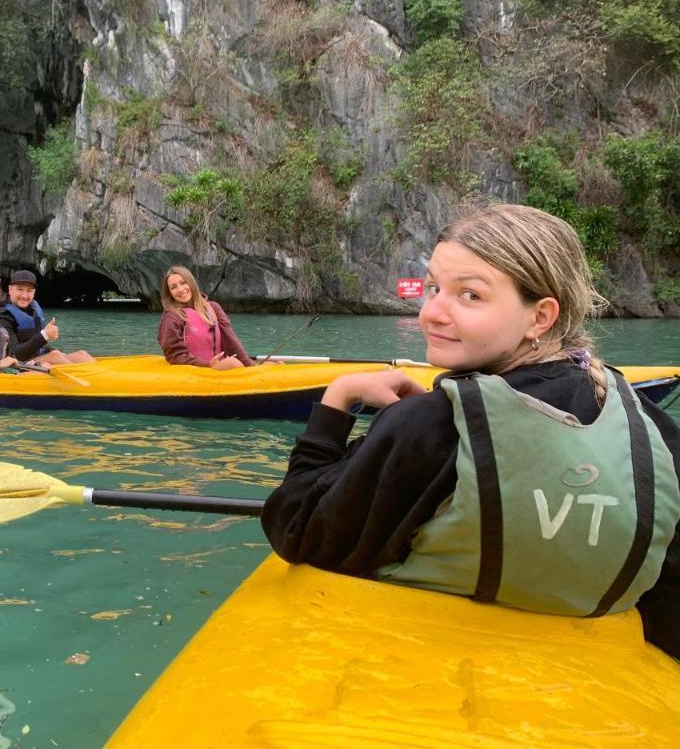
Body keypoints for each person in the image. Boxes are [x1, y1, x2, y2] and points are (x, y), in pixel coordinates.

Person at [261, 204, 680, 661]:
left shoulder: (430, 423)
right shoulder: (647, 424)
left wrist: (336, 402)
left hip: (433, 667)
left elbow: (298, 531)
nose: (432, 314)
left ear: (540, 317)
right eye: (434, 288)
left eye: (470, 296)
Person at [157, 266, 257, 370]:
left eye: (183, 283)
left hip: (217, 366)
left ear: (191, 282)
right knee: (233, 364)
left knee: (272, 362)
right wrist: (209, 365)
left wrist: (249, 365)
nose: (181, 289)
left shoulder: (214, 307)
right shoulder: (172, 317)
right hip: (194, 370)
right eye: (174, 287)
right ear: (170, 294)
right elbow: (175, 356)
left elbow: (231, 341)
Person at [3, 270, 95, 366]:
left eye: (29, 290)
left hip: (35, 358)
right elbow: (14, 354)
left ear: (34, 292)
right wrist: (45, 335)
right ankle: (87, 378)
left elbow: (38, 347)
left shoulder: (32, 308)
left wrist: (55, 351)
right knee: (54, 356)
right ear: (10, 290)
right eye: (20, 289)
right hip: (16, 364)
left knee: (82, 355)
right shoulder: (3, 316)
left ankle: (100, 377)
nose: (24, 295)